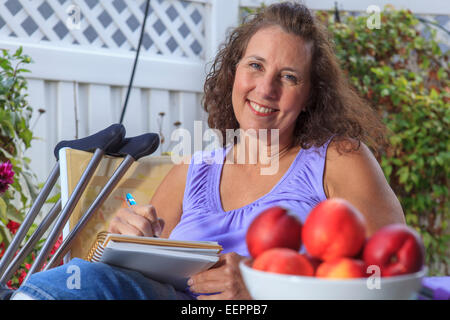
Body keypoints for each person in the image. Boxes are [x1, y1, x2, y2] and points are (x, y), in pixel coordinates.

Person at [12, 1, 405, 300]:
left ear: (310, 96)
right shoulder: (192, 172)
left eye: (288, 77)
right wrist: (121, 239)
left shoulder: (338, 159)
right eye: (254, 66)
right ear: (233, 73)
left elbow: (393, 277)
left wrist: (270, 286)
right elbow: (123, 279)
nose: (265, 89)